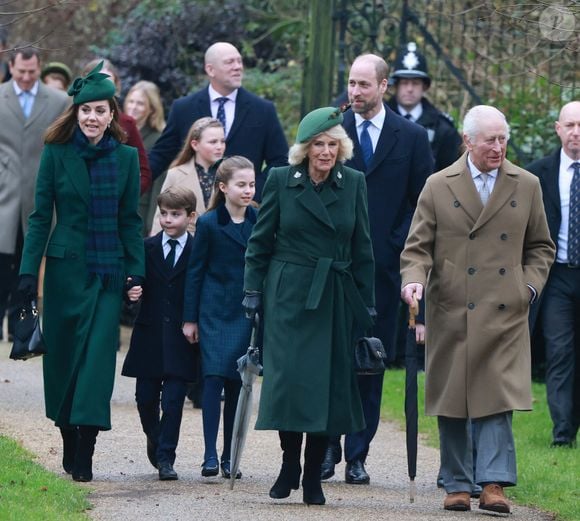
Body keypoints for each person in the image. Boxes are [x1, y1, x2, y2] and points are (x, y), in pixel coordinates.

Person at [400, 105, 555, 513]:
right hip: (452, 306)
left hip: (505, 309)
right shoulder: (438, 185)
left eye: (503, 138)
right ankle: (456, 482)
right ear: (468, 141)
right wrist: (413, 279)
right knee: (453, 397)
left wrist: (527, 288)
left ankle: (493, 483)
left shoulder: (527, 184)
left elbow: (541, 247)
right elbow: (417, 248)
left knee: (495, 395)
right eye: (490, 139)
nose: (499, 147)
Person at [17, 61, 145, 482]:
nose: (93, 117)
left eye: (101, 111)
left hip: (106, 273)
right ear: (76, 113)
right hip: (64, 271)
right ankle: (67, 431)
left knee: (96, 362)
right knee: (63, 358)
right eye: (86, 110)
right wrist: (25, 274)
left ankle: (87, 443)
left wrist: (135, 273)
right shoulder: (56, 153)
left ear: (112, 116)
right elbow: (40, 218)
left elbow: (129, 220)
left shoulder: (126, 159)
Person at [243, 107, 376, 505]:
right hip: (287, 294)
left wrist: (366, 303)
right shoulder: (281, 180)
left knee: (326, 389)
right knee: (289, 385)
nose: (325, 152)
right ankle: (288, 465)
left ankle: (315, 474)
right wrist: (252, 290)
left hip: (333, 293)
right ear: (304, 149)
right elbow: (260, 241)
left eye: (332, 144)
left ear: (341, 147)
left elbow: (363, 247)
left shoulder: (353, 183)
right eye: (318, 144)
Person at [322, 53, 433, 486]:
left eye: (364, 84)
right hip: (336, 267)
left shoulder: (412, 136)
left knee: (370, 360)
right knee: (332, 359)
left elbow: (422, 199)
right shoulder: (332, 129)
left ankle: (358, 453)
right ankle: (328, 444)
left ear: (384, 86)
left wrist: (394, 241)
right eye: (351, 83)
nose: (355, 92)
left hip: (385, 270)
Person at [182, 156, 257, 480]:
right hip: (213, 310)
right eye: (241, 184)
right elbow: (195, 272)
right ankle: (210, 455)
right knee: (212, 379)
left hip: (244, 312)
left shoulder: (259, 218)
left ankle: (230, 456)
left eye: (252, 184)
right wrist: (190, 318)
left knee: (236, 382)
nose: (247, 190)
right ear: (223, 187)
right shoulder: (210, 222)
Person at [122, 186, 199, 481]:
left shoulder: (196, 250)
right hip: (150, 335)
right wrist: (131, 290)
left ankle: (166, 457)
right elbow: (133, 277)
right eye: (163, 213)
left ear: (190, 217)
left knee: (174, 400)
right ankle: (154, 437)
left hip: (181, 337)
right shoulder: (147, 247)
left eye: (175, 214)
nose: (168, 220)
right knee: (144, 398)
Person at [148, 41, 288, 199]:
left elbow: (280, 161)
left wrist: (251, 192)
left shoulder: (263, 110)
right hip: (194, 207)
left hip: (244, 211)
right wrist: (131, 186)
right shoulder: (184, 108)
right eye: (229, 62)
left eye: (239, 61)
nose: (238, 67)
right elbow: (161, 155)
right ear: (210, 69)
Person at [0, 47, 69, 341]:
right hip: (4, 192)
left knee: (29, 263)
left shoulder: (60, 101)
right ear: (11, 67)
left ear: (39, 68)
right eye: (21, 71)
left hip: (41, 195)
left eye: (32, 72)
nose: (26, 77)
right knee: (1, 261)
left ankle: (22, 329)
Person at [526, 101, 580, 448]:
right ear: (558, 129)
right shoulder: (537, 174)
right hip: (557, 274)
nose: (576, 132)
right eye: (570, 125)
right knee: (559, 351)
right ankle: (562, 432)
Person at [386, 42, 462, 172]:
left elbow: (451, 173)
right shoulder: (381, 119)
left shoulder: (442, 128)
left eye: (415, 83)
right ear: (396, 86)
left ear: (425, 87)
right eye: (404, 83)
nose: (409, 89)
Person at [82, 58, 152, 195]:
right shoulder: (70, 121)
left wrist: (125, 198)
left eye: (108, 84)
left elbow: (144, 172)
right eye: (97, 83)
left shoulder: (126, 123)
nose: (103, 90)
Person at [150, 117, 225, 235]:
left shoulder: (229, 175)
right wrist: (155, 250)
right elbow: (161, 216)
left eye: (222, 141)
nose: (220, 147)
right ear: (195, 145)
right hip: (185, 246)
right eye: (213, 142)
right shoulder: (175, 175)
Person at [124, 80, 167, 236]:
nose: (133, 107)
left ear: (151, 109)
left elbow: (158, 185)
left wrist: (152, 224)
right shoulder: (115, 132)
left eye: (140, 104)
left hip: (140, 213)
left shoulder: (158, 139)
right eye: (131, 101)